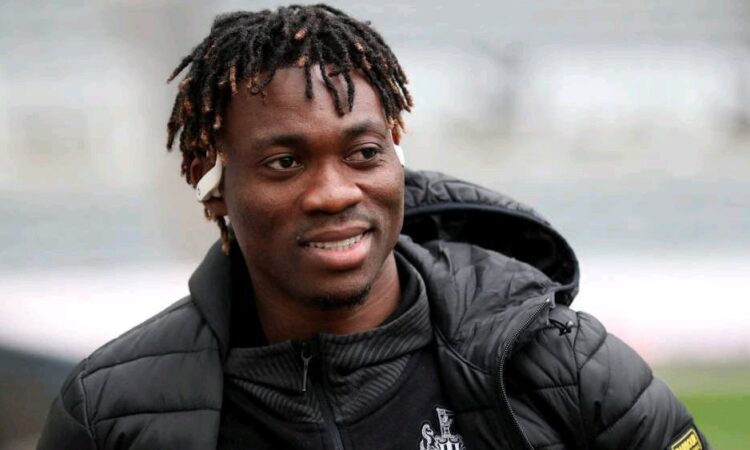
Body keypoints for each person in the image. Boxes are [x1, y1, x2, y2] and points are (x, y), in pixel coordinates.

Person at [38, 4, 709, 449]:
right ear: (215, 190)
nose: (334, 193)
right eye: (284, 162)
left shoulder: (567, 365)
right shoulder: (111, 411)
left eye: (363, 154)